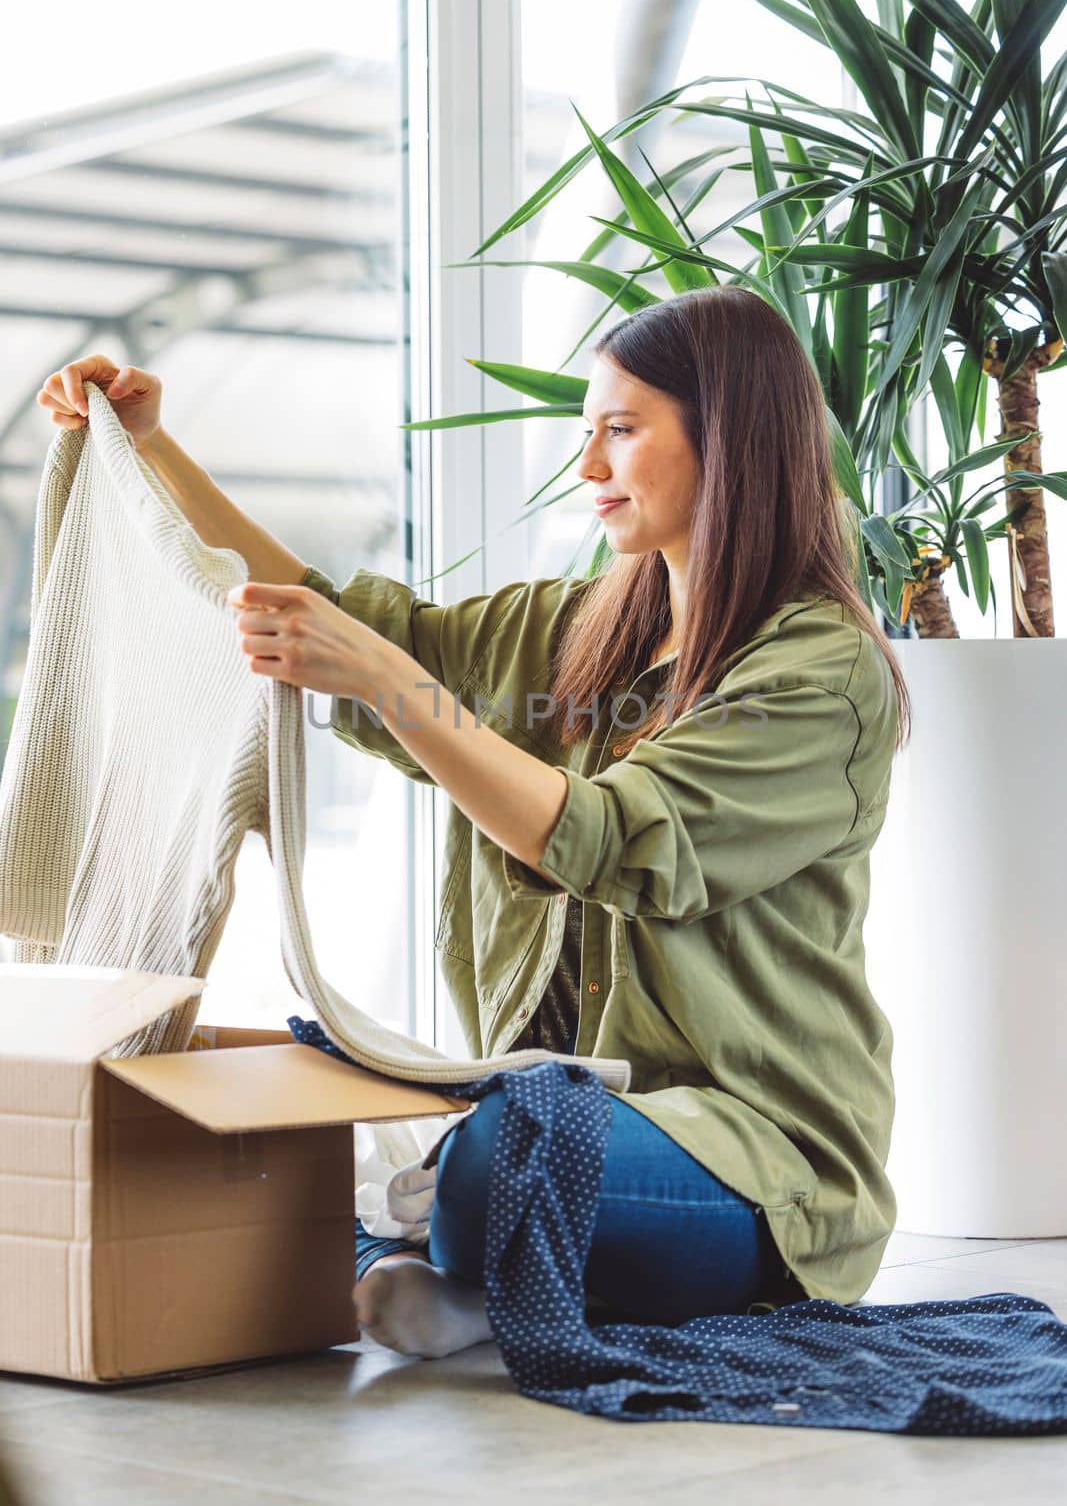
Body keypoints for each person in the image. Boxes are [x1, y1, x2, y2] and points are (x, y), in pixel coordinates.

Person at [37, 286, 911, 1361]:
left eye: (621, 431)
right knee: (336, 1139)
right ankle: (466, 1274)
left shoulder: (816, 675)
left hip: (759, 1168)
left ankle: (458, 1267)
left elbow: (608, 838)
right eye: (585, 430)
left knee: (502, 1154)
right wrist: (155, 451)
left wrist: (393, 681)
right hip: (551, 1109)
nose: (587, 466)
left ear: (728, 439)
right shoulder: (570, 628)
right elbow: (349, 630)